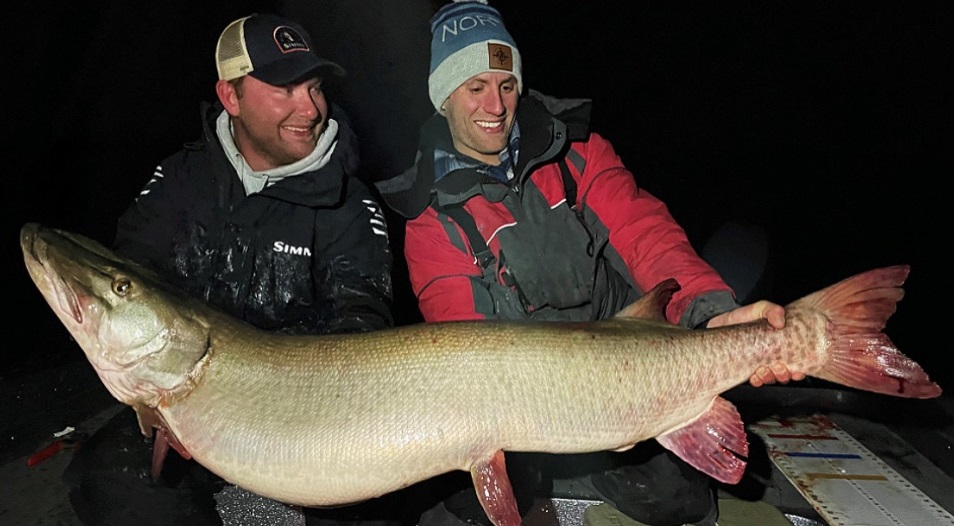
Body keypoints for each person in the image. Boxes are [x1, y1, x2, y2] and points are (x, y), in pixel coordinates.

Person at [374, 1, 802, 525]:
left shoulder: (578, 153)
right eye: (475, 87)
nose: (495, 104)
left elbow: (646, 235)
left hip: (629, 368)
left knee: (677, 501)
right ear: (444, 97)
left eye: (506, 85)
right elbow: (465, 340)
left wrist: (710, 315)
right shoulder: (429, 215)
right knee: (465, 503)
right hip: (524, 404)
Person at [65, 13, 397, 526]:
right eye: (284, 89)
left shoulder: (349, 204)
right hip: (185, 403)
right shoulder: (180, 179)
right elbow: (136, 273)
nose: (309, 109)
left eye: (314, 87)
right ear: (230, 97)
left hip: (301, 421)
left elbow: (363, 318)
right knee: (108, 480)